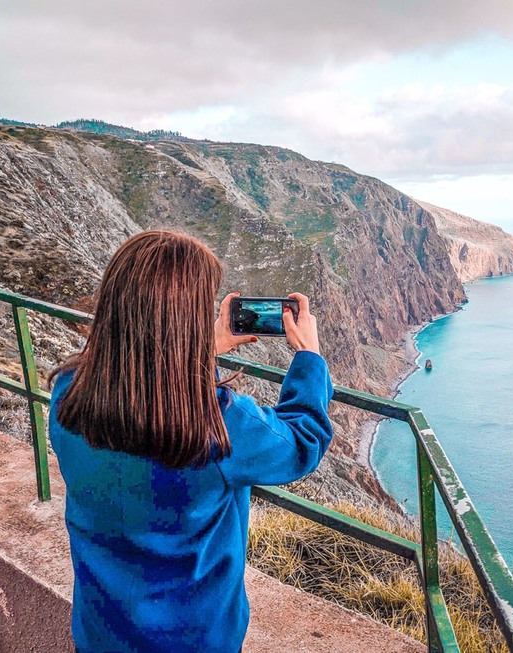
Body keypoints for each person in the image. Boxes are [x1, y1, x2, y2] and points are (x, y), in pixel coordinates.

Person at [48, 230, 333, 653]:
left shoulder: (68, 393)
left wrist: (199, 351)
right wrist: (309, 357)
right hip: (195, 638)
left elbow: (140, 383)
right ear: (187, 321)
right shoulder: (219, 423)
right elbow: (302, 442)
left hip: (100, 629)